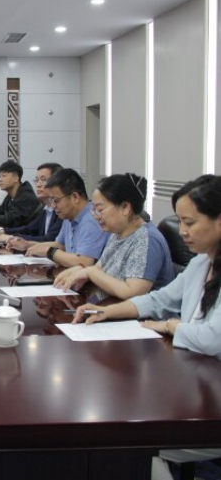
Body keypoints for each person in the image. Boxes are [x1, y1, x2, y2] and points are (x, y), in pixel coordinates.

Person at [72, 175, 221, 480]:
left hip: (212, 406)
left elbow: (211, 338)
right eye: (180, 222)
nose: (182, 231)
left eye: (190, 222)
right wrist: (107, 311)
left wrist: (172, 325)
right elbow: (158, 299)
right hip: (196, 382)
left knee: (124, 442)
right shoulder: (201, 263)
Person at [53, 174, 174, 299]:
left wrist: (91, 272)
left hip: (139, 311)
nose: (96, 216)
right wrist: (80, 270)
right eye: (94, 210)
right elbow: (100, 267)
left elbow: (132, 292)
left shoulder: (147, 239)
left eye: (100, 210)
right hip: (110, 304)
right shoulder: (117, 233)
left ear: (125, 207)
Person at [25, 168, 110, 267]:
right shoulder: (69, 216)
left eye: (56, 200)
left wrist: (49, 251)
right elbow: (59, 245)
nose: (53, 206)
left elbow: (84, 262)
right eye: (51, 201)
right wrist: (28, 245)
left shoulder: (92, 220)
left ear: (75, 197)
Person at [0, 163, 64, 244]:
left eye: (43, 180)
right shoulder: (46, 208)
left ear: (57, 182)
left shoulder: (62, 210)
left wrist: (11, 237)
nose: (38, 184)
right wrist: (2, 231)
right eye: (37, 180)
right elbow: (28, 229)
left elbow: (50, 240)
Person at [0, 160, 41, 227]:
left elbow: (11, 220)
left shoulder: (26, 196)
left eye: (4, 176)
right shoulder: (10, 196)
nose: (0, 180)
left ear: (15, 178)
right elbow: (0, 211)